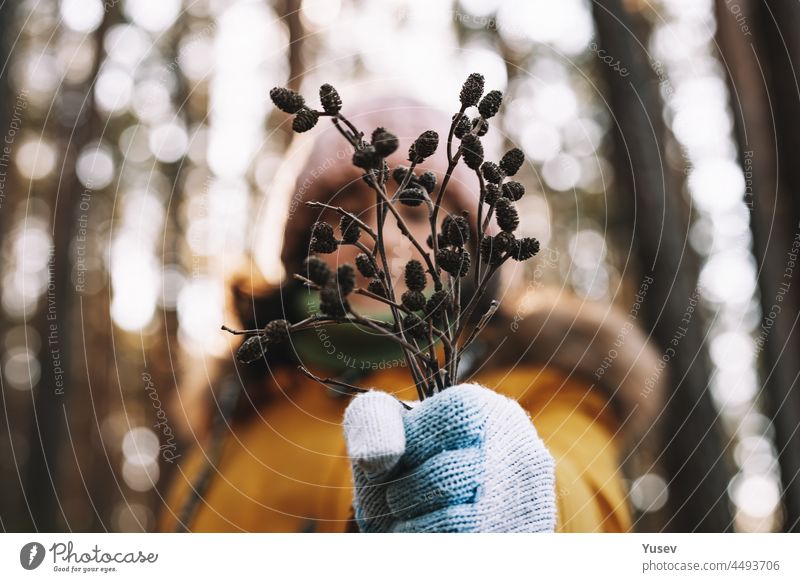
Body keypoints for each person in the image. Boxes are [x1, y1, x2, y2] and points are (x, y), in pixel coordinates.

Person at [158, 95, 663, 533]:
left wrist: (520, 503)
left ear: (467, 245)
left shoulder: (543, 384)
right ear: (300, 254)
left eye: (417, 209)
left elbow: (580, 495)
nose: (385, 238)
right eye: (347, 213)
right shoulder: (247, 404)